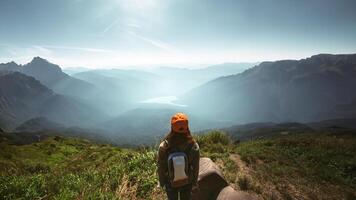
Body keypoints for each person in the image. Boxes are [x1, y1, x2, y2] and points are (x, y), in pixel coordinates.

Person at [157, 113, 200, 200]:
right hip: (187, 180)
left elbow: (161, 166)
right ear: (187, 127)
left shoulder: (164, 146)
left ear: (172, 127)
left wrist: (161, 182)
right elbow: (196, 167)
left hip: (170, 181)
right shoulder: (194, 146)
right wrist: (194, 182)